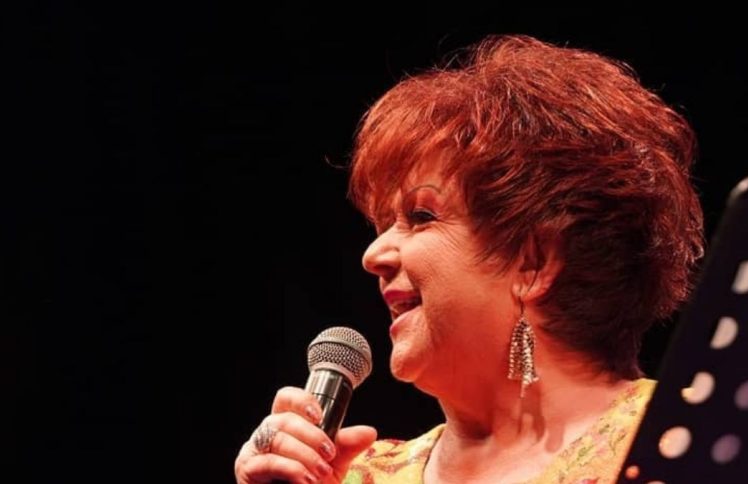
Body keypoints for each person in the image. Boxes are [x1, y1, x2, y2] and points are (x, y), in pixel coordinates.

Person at [234, 34, 704, 484]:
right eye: (381, 227)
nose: (373, 256)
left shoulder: (681, 437)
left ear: (533, 262)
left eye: (420, 216)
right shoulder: (353, 474)